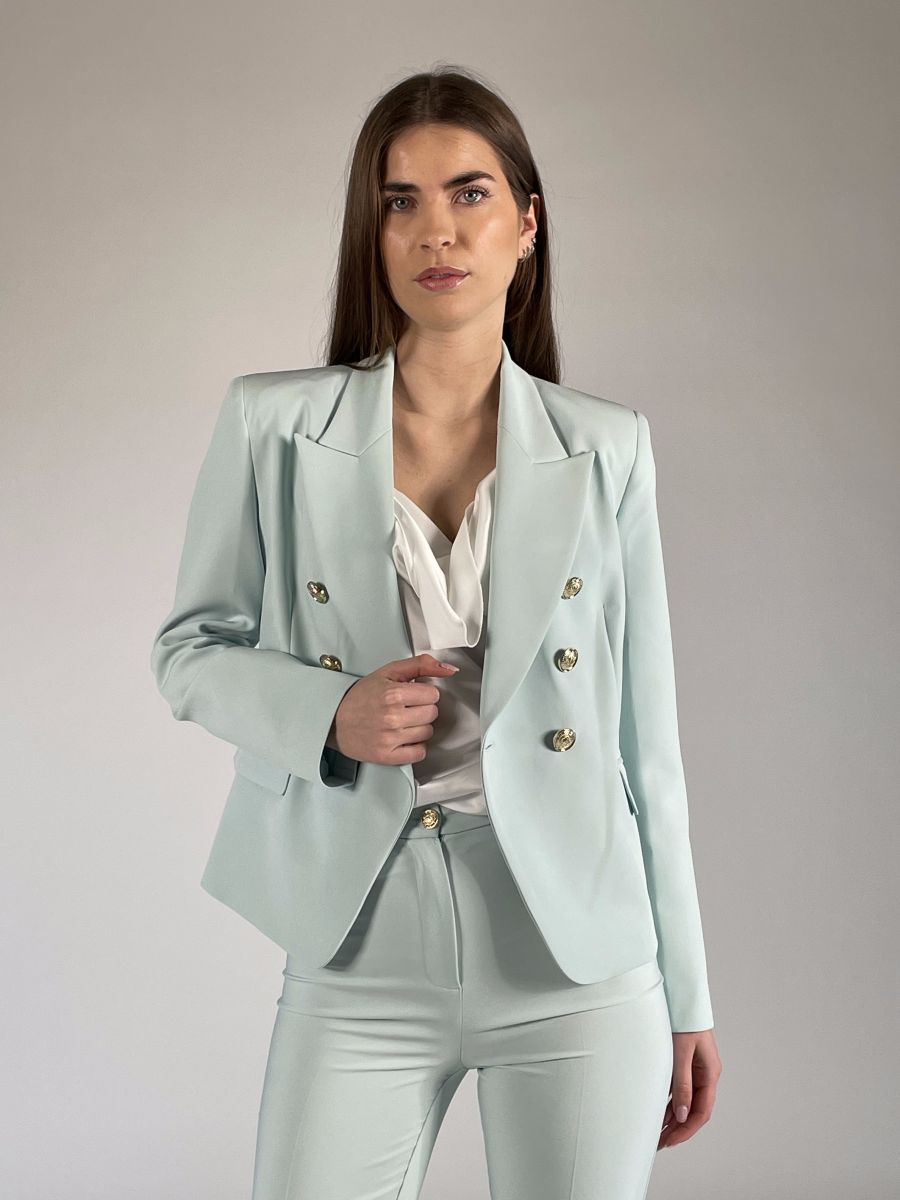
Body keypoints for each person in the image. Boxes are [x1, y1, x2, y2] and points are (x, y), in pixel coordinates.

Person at [151, 65, 723, 1199]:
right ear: (372, 234)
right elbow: (188, 651)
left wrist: (690, 993)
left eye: (470, 193)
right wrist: (331, 712)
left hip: (577, 956)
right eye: (400, 201)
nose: (436, 231)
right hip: (360, 939)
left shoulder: (608, 446)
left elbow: (644, 742)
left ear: (527, 223)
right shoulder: (275, 425)